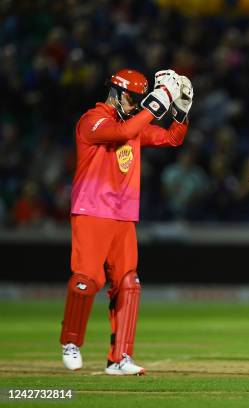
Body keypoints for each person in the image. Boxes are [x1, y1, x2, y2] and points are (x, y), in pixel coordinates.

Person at [59, 68, 194, 375]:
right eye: (133, 99)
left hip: (124, 215)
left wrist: (181, 110)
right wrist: (161, 98)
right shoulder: (92, 121)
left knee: (128, 283)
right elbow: (121, 134)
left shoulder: (130, 124)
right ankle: (70, 341)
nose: (135, 105)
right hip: (92, 210)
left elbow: (172, 138)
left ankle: (120, 358)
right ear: (118, 94)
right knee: (86, 281)